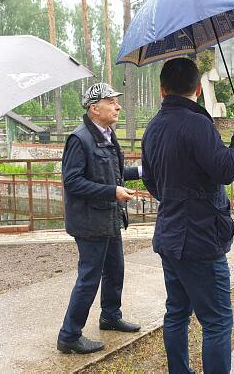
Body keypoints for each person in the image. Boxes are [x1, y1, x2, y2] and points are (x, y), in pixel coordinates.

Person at [141, 57, 234, 374]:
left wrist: (178, 200)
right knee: (217, 320)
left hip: (170, 234)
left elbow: (151, 181)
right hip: (202, 240)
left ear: (162, 89)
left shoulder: (153, 128)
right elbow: (227, 168)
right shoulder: (197, 124)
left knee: (176, 312)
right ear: (197, 89)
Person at [57, 83, 142, 354]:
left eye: (116, 102)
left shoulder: (106, 135)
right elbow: (72, 183)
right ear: (95, 108)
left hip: (108, 218)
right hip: (89, 222)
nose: (118, 106)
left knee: (116, 270)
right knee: (89, 277)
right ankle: (69, 335)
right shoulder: (79, 139)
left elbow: (112, 172)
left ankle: (110, 316)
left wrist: (141, 170)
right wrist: (112, 192)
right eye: (111, 102)